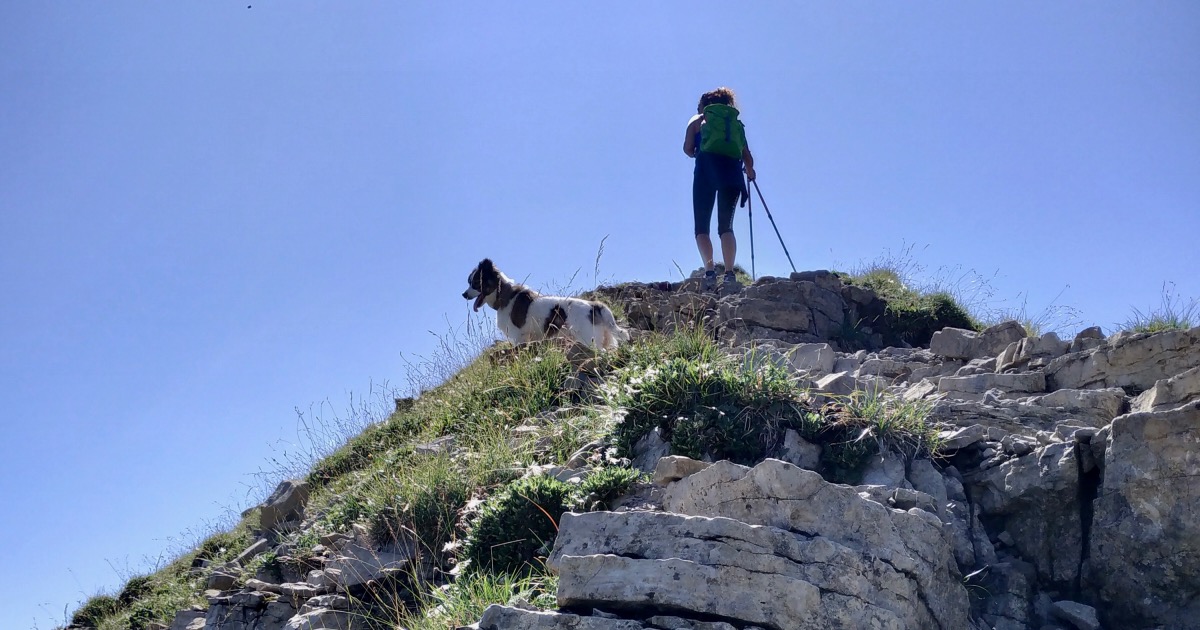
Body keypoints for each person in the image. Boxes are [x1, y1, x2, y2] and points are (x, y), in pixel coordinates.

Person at [683, 87, 755, 290]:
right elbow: (747, 157)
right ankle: (730, 274)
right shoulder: (735, 125)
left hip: (705, 173)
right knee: (726, 226)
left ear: (704, 105)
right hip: (732, 175)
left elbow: (688, 149)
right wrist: (750, 172)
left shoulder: (698, 120)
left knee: (701, 228)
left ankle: (710, 272)